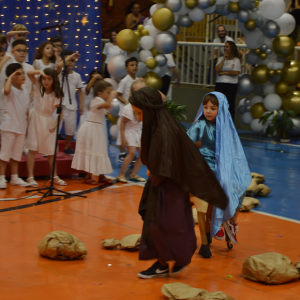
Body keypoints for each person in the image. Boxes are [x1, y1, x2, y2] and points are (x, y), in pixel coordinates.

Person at [129, 87, 228, 279]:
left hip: (169, 186)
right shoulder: (160, 123)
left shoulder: (163, 130)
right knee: (165, 225)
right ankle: (167, 261)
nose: (139, 118)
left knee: (165, 226)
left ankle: (170, 261)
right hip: (166, 185)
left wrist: (153, 172)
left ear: (149, 110)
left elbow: (168, 160)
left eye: (140, 113)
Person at [187, 92, 252, 249]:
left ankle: (231, 222)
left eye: (213, 108)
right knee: (222, 182)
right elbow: (186, 146)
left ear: (221, 109)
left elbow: (235, 153)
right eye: (205, 107)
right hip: (204, 167)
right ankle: (217, 222)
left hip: (220, 166)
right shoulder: (199, 126)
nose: (208, 111)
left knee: (241, 181)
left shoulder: (227, 128)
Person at [25, 68, 66, 187]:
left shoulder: (57, 95)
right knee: (32, 149)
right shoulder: (38, 86)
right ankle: (30, 177)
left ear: (54, 80)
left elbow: (60, 113)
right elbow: (29, 73)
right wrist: (39, 72)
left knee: (51, 151)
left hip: (47, 121)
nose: (46, 81)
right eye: (44, 78)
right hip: (35, 118)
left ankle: (54, 176)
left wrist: (55, 125)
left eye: (49, 79)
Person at [72, 81, 114, 185]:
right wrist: (114, 93)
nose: (110, 94)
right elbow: (109, 105)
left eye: (110, 93)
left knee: (100, 151)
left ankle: (101, 175)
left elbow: (104, 108)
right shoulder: (97, 100)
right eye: (108, 92)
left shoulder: (99, 101)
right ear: (100, 93)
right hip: (91, 129)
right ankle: (88, 176)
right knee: (91, 151)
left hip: (96, 129)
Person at [0, 63, 31, 189]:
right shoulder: (8, 89)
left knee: (16, 155)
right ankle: (1, 178)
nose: (23, 75)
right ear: (12, 77)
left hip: (21, 127)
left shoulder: (25, 92)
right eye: (19, 74)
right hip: (9, 127)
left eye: (23, 73)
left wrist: (27, 127)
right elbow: (7, 90)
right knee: (4, 154)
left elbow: (27, 111)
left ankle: (14, 177)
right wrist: (11, 76)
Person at [116, 80, 146, 183]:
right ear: (133, 93)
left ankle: (134, 174)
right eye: (138, 91)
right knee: (132, 153)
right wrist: (123, 138)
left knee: (143, 155)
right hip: (129, 131)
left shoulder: (144, 106)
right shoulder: (129, 108)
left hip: (138, 132)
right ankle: (121, 175)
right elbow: (122, 123)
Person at [56, 50, 83, 156]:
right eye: (68, 59)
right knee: (55, 129)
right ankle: (52, 148)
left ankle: (67, 147)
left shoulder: (77, 76)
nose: (70, 62)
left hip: (72, 106)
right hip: (58, 104)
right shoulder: (59, 72)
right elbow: (59, 66)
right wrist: (68, 57)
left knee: (70, 129)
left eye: (73, 60)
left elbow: (80, 91)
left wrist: (81, 104)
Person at [116, 57, 139, 162]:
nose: (134, 67)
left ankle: (131, 153)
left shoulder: (138, 80)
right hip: (125, 111)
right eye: (132, 65)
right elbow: (118, 95)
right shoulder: (124, 81)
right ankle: (122, 153)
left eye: (136, 65)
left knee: (133, 132)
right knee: (123, 133)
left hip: (135, 112)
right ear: (126, 68)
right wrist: (126, 102)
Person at [215, 41, 241, 121]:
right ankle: (217, 122)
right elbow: (217, 69)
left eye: (227, 47)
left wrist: (223, 72)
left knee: (230, 104)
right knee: (218, 104)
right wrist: (224, 59)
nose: (225, 48)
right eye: (225, 46)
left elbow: (236, 72)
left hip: (231, 84)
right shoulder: (220, 59)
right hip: (220, 83)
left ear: (232, 48)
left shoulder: (236, 60)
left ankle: (230, 123)